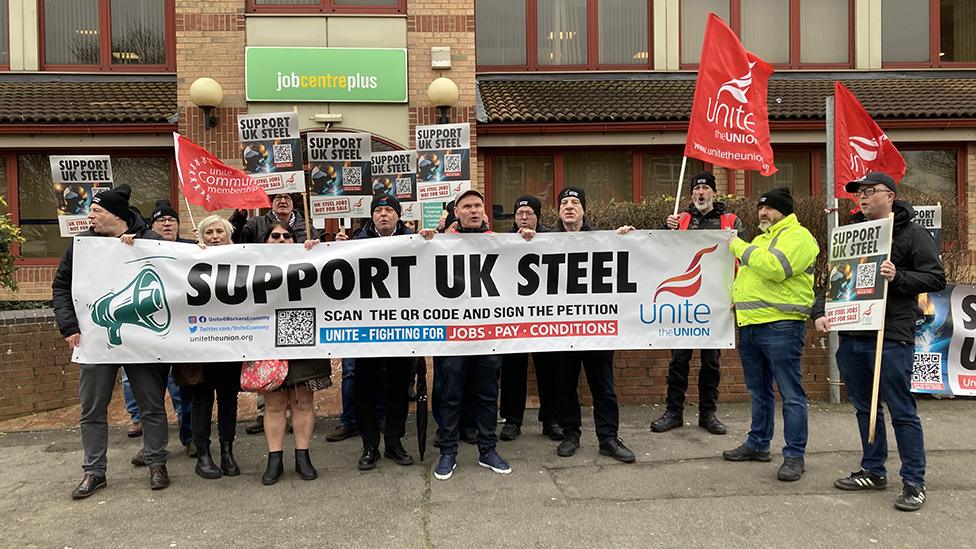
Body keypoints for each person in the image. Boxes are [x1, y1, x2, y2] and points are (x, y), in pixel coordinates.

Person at [812, 172, 945, 511]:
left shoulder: (912, 233)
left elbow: (935, 277)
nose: (863, 198)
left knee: (901, 410)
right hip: (853, 334)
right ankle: (873, 470)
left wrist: (898, 277)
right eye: (860, 193)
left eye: (870, 192)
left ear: (890, 196)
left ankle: (914, 481)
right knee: (864, 408)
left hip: (891, 335)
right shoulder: (851, 235)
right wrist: (820, 313)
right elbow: (832, 280)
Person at [52, 184, 171, 498]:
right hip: (94, 339)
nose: (90, 215)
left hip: (140, 339)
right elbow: (61, 287)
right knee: (92, 409)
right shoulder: (82, 245)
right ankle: (94, 471)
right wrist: (68, 326)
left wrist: (140, 248)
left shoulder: (148, 240)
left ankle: (157, 463)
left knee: (151, 404)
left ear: (115, 215)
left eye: (96, 210)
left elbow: (172, 273)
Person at [722, 187, 818, 482]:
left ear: (785, 210)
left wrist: (738, 246)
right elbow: (754, 277)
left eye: (769, 208)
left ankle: (794, 456)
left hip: (782, 325)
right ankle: (758, 444)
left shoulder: (798, 237)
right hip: (751, 325)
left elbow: (775, 268)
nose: (762, 213)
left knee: (790, 394)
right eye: (760, 208)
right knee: (759, 391)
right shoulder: (762, 239)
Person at [419, 190, 515, 480]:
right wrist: (422, 242)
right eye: (467, 206)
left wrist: (528, 240)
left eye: (478, 206)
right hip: (453, 337)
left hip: (487, 336)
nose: (473, 210)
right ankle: (448, 452)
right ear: (456, 212)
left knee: (487, 395)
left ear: (484, 212)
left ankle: (488, 450)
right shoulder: (440, 244)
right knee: (450, 395)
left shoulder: (501, 243)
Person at [649, 172, 742, 435]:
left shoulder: (730, 221)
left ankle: (708, 413)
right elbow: (662, 254)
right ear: (691, 194)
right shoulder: (680, 221)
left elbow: (743, 258)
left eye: (705, 188)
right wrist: (665, 229)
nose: (700, 192)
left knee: (711, 361)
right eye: (696, 188)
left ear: (714, 193)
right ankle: (673, 411)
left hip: (716, 304)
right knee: (679, 359)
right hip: (684, 302)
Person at [548, 187, 635, 464]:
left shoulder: (602, 239)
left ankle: (608, 437)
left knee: (604, 386)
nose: (569, 207)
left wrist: (628, 240)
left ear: (584, 210)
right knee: (564, 385)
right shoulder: (544, 240)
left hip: (596, 328)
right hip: (562, 328)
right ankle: (570, 434)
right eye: (564, 203)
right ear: (558, 210)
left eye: (575, 202)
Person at [335, 195, 416, 470]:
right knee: (365, 386)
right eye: (379, 211)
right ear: (372, 216)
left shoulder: (414, 240)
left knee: (398, 385)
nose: (384, 215)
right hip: (366, 328)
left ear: (398, 215)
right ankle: (370, 445)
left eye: (389, 210)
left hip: (401, 327)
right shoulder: (357, 242)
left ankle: (394, 442)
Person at [230, 192, 315, 435]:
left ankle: (297, 433)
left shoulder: (306, 226)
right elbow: (235, 242)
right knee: (269, 379)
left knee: (300, 387)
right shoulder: (256, 224)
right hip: (266, 317)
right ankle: (265, 416)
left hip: (298, 318)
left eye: (287, 197)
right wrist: (238, 217)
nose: (282, 201)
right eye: (277, 197)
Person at [260, 222, 333, 485]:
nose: (281, 240)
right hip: (266, 338)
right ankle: (274, 459)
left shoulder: (309, 259)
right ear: (265, 240)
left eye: (287, 236)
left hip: (304, 334)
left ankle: (303, 456)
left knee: (302, 402)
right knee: (274, 403)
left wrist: (318, 251)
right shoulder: (249, 263)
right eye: (275, 236)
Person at [126, 199, 197, 465]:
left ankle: (190, 439)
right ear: (151, 226)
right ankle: (152, 446)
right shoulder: (137, 248)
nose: (167, 224)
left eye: (172, 220)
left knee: (186, 390)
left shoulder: (192, 248)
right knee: (151, 395)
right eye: (161, 220)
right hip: (150, 333)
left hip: (184, 333)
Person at [184, 215, 244, 480]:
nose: (215, 236)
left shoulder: (242, 259)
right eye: (209, 232)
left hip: (230, 343)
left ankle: (227, 451)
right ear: (201, 236)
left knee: (228, 397)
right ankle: (203, 454)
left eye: (220, 231)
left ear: (229, 235)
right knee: (202, 398)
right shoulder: (187, 258)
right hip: (200, 342)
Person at [498, 195, 562, 442]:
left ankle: (551, 420)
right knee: (513, 370)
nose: (524, 218)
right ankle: (513, 420)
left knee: (549, 370)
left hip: (544, 317)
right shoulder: (502, 241)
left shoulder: (552, 239)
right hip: (513, 317)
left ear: (538, 216)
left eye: (529, 213)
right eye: (519, 213)